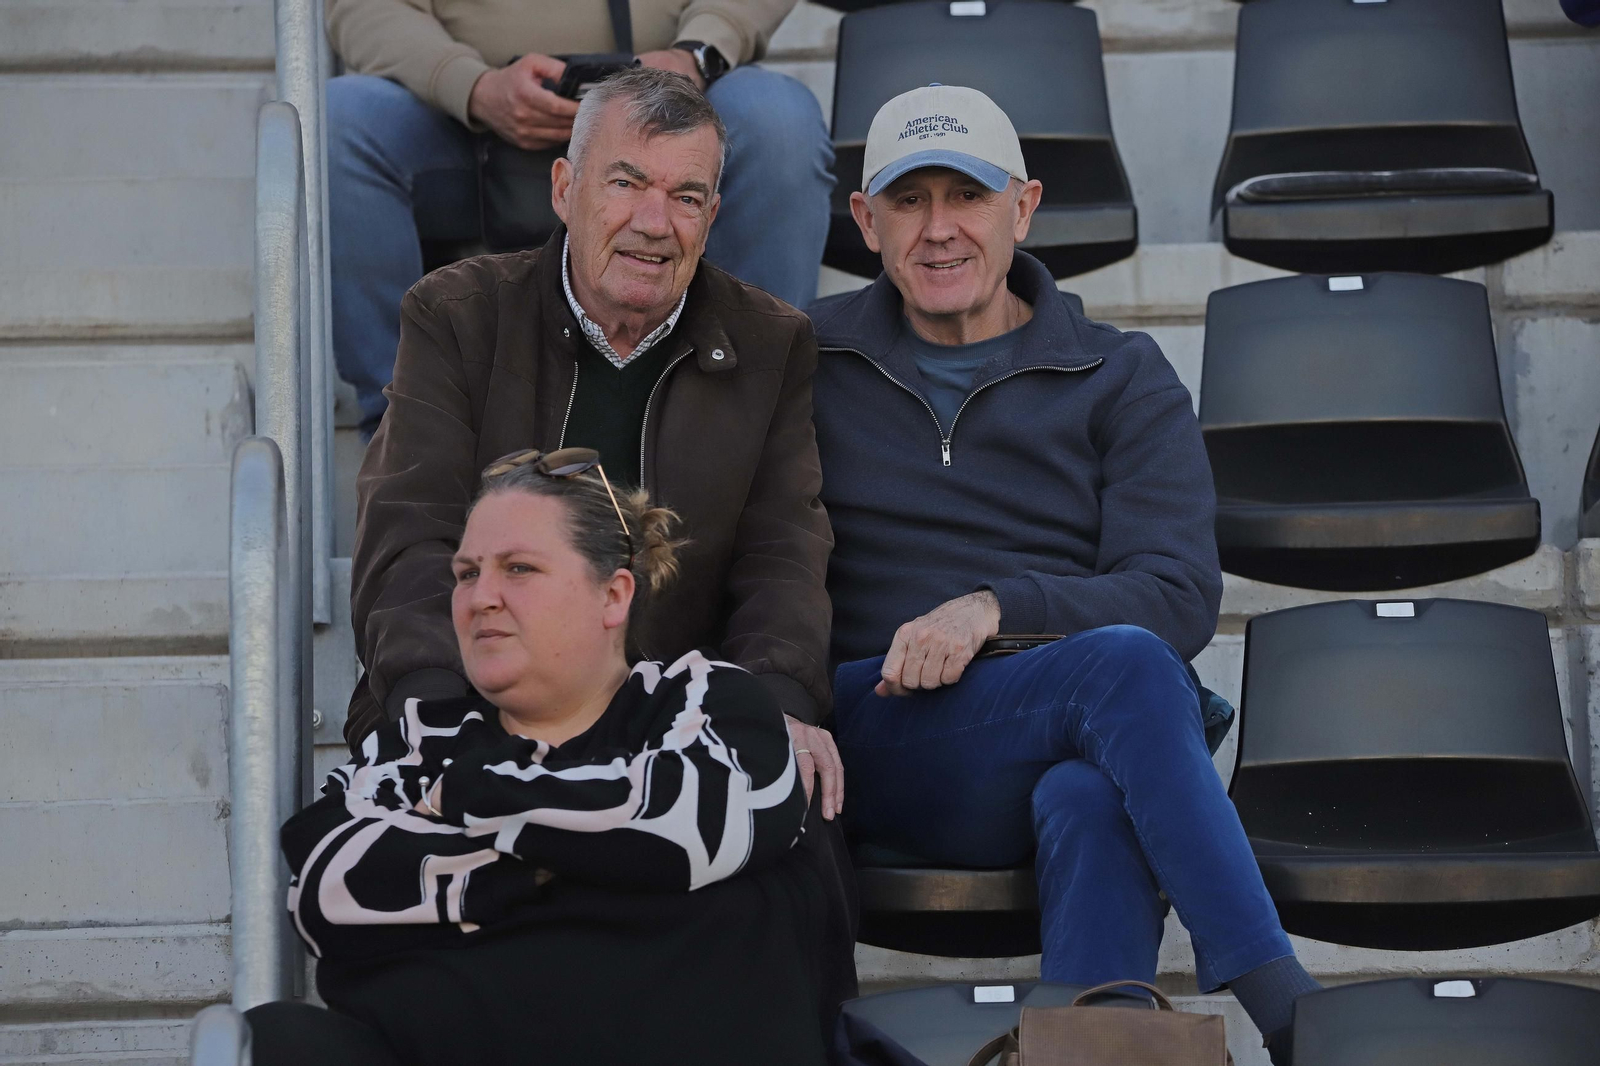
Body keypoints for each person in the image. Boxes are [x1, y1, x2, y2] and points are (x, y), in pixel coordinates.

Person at [805, 85, 1318, 1061]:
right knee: (1124, 669)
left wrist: (996, 607)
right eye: (909, 201)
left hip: (1052, 732)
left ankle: (1082, 1043)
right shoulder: (806, 357)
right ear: (865, 221)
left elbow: (1176, 593)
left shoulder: (1117, 372)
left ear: (1024, 207)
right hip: (876, 729)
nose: (939, 228)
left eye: (969, 196)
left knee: (1093, 791)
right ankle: (1292, 1012)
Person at [346, 69, 844, 829]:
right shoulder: (458, 316)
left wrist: (774, 702)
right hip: (474, 699)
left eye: (686, 197)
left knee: (799, 856)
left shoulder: (770, 343)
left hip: (674, 720)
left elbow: (782, 552)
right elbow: (409, 532)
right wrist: (436, 705)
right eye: (627, 183)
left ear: (712, 217)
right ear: (563, 188)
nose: (655, 221)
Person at [248, 448, 853, 1065]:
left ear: (614, 595)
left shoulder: (705, 700)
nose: (481, 597)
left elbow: (702, 823)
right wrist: (601, 875)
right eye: (465, 573)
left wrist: (466, 803)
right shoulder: (423, 736)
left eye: (519, 569)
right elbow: (325, 885)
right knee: (272, 1041)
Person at [325, 0, 834, 432]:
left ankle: (753, 419)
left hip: (674, 105)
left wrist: (698, 51)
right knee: (339, 122)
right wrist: (472, 87)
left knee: (778, 122)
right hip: (465, 121)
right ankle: (409, 423)